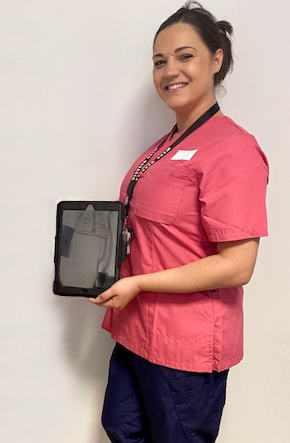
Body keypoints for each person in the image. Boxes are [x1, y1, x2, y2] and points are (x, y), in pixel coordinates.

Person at [88, 1, 269, 442]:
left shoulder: (233, 150)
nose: (170, 70)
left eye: (185, 56)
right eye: (159, 61)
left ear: (216, 59)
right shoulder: (164, 145)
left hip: (183, 344)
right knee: (122, 426)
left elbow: (237, 265)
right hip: (137, 328)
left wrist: (139, 284)